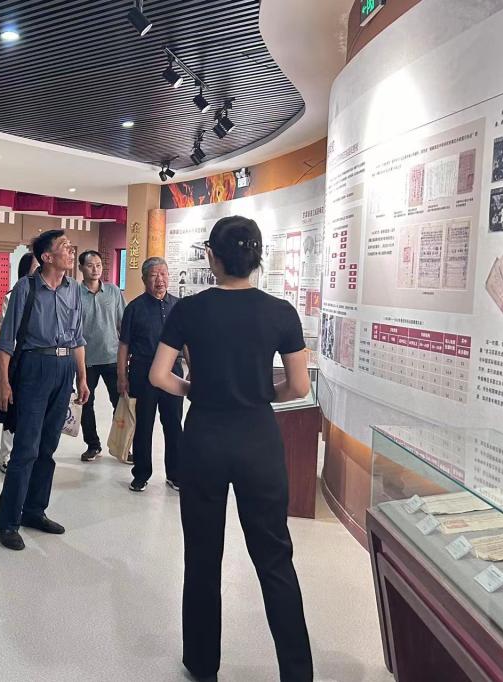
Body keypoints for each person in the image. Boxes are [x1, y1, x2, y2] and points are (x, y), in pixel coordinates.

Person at [150, 216, 313, 681]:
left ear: (212, 257)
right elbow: (299, 386)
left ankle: (203, 665)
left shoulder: (189, 309)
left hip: (204, 436)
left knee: (202, 556)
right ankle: (297, 673)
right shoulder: (281, 312)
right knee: (274, 558)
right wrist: (261, 394)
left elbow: (158, 375)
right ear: (257, 257)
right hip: (258, 438)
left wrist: (194, 390)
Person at [0, 230, 89, 551]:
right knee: (26, 449)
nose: (71, 251)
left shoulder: (74, 289)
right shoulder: (26, 288)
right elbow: (7, 340)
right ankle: (7, 523)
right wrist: (3, 381)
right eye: (64, 247)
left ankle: (34, 510)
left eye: (70, 246)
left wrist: (82, 378)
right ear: (47, 257)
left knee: (48, 447)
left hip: (64, 368)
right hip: (34, 367)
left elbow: (77, 338)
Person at [118, 257, 183, 491]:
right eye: (154, 275)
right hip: (142, 371)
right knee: (144, 425)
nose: (160, 279)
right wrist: (122, 377)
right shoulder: (134, 308)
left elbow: (187, 343)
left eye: (163, 274)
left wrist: (194, 371)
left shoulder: (178, 306)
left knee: (173, 424)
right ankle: (141, 474)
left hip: (173, 372)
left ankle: (175, 474)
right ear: (144, 278)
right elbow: (124, 345)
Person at [77, 250, 125, 462]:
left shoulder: (113, 291)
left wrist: (127, 353)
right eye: (90, 265)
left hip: (112, 357)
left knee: (120, 404)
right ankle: (93, 445)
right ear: (81, 268)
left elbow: (123, 324)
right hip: (86, 360)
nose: (95, 269)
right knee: (86, 403)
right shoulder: (74, 294)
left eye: (98, 265)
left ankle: (122, 444)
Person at [0, 252, 38, 474]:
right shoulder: (14, 295)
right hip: (17, 360)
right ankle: (6, 456)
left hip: (38, 362)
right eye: (36, 266)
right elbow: (8, 333)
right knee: (12, 411)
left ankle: (28, 455)